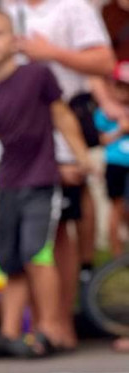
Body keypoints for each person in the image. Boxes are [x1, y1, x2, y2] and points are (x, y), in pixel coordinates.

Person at [0, 7, 90, 357]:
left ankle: (50, 328)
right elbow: (1, 140)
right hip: (8, 182)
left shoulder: (38, 75)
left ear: (14, 39)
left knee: (37, 251)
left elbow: (61, 115)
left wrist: (81, 158)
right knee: (9, 259)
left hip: (41, 179)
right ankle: (10, 333)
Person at [0, 0, 114, 351]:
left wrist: (49, 52)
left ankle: (61, 324)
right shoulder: (5, 8)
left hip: (62, 124)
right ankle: (38, 325)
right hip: (21, 132)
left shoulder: (73, 7)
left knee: (60, 225)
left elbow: (103, 62)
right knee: (38, 234)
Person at [94, 62, 129, 257]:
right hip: (115, 164)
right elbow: (101, 139)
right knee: (116, 207)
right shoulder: (105, 112)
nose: (123, 92)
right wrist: (120, 129)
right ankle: (117, 255)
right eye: (120, 86)